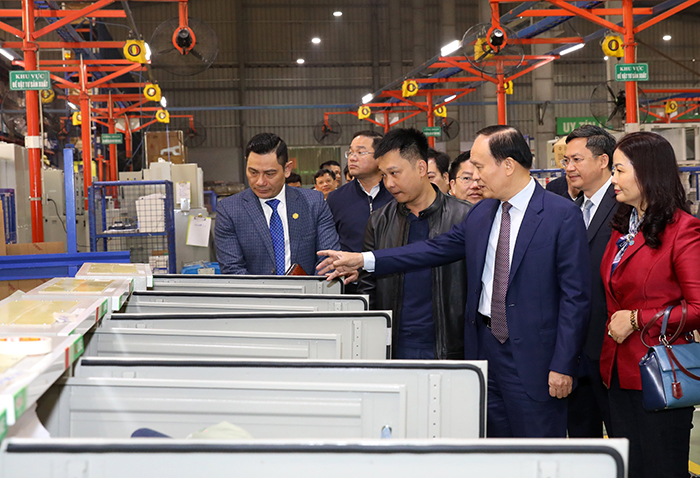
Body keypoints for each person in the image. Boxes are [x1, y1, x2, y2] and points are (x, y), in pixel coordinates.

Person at [319, 125, 591, 438]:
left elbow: (576, 298)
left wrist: (563, 364)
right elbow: (431, 250)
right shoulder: (482, 213)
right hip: (484, 351)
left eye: (480, 167)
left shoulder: (560, 215)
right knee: (492, 446)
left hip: (535, 359)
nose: (474, 177)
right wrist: (364, 259)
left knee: (537, 449)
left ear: (508, 165)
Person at [600, 132, 700, 478]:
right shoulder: (623, 228)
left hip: (660, 375)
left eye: (619, 170)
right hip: (617, 372)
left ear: (647, 172)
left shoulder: (683, 231)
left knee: (662, 468)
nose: (613, 178)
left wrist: (637, 319)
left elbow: (697, 307)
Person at [358, 128, 471, 359]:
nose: (389, 184)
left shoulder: (464, 217)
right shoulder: (379, 221)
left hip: (451, 345)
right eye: (383, 175)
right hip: (396, 346)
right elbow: (367, 288)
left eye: (394, 173)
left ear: (421, 168)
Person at [561, 124, 618, 438]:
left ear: (603, 160)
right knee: (583, 440)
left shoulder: (624, 206)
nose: (569, 167)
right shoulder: (571, 209)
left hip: (611, 348)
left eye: (577, 160)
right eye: (566, 160)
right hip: (576, 350)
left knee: (623, 437)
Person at [215, 132, 340, 275]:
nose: (260, 182)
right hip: (253, 290)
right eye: (253, 172)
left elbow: (328, 261)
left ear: (287, 169)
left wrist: (308, 288)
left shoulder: (314, 203)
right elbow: (232, 270)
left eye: (269, 174)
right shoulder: (229, 210)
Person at [326, 131, 394, 289]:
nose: (352, 158)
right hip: (350, 285)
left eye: (360, 152)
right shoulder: (336, 198)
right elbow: (330, 242)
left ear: (380, 157)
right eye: (350, 152)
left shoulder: (396, 194)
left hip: (392, 280)